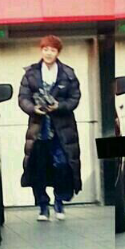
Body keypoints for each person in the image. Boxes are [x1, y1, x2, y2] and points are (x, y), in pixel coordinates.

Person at [19, 36, 82, 221]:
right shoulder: (31, 73)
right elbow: (23, 98)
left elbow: (75, 98)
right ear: (41, 50)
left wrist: (59, 106)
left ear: (58, 53)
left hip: (62, 129)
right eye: (45, 49)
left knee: (63, 165)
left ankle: (59, 201)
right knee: (38, 169)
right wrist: (33, 108)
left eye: (52, 50)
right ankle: (43, 207)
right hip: (38, 129)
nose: (48, 53)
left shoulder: (68, 73)